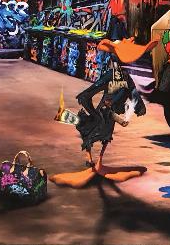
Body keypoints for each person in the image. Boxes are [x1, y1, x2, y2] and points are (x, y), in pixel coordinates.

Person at [49, 37, 155, 188]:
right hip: (105, 112)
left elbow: (131, 94)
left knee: (100, 134)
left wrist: (137, 107)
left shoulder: (119, 76)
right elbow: (129, 93)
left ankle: (96, 161)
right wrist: (137, 107)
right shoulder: (119, 76)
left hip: (108, 112)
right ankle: (91, 158)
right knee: (95, 132)